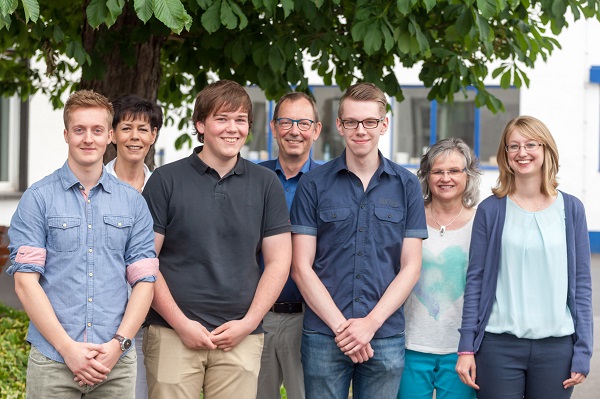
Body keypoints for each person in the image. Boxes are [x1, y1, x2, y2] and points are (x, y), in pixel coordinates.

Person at [142, 80, 292, 399]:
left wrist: (249, 323)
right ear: (200, 124)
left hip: (241, 336)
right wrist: (181, 323)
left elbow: (280, 261)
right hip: (172, 333)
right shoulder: (165, 180)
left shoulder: (266, 184)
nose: (232, 129)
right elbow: (144, 262)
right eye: (221, 118)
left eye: (240, 120)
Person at [7, 90, 158, 398]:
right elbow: (25, 282)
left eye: (97, 130)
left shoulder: (133, 203)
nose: (88, 139)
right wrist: (68, 349)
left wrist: (119, 345)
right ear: (66, 134)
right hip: (53, 361)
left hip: (114, 364)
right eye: (79, 130)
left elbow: (145, 280)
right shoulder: (38, 198)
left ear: (110, 135)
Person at [290, 82, 427, 398]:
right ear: (339, 125)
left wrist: (369, 325)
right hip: (325, 334)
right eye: (351, 121)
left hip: (384, 335)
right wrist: (343, 328)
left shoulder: (407, 186)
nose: (360, 130)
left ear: (384, 125)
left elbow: (411, 266)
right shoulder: (313, 184)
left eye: (369, 122)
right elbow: (300, 267)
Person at [456, 116, 593, 399]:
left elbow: (581, 287)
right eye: (513, 146)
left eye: (531, 144)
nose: (522, 152)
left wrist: (583, 350)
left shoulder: (572, 209)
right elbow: (475, 283)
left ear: (546, 150)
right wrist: (466, 348)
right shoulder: (491, 210)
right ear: (505, 155)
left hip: (557, 350)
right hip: (497, 348)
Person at [398, 138, 480, 399]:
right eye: (438, 171)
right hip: (411, 344)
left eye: (454, 171)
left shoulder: (482, 222)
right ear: (426, 176)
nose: (446, 178)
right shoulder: (408, 218)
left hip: (461, 350)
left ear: (468, 176)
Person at [257, 92, 322, 399]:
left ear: (317, 129)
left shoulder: (331, 182)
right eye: (286, 122)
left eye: (304, 123)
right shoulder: (252, 179)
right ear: (273, 127)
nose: (295, 130)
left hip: (310, 319)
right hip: (258, 317)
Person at [106, 94, 163, 399]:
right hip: (102, 321)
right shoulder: (93, 183)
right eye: (126, 128)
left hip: (149, 323)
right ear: (112, 133)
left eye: (143, 129)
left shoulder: (164, 188)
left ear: (153, 136)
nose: (135, 137)